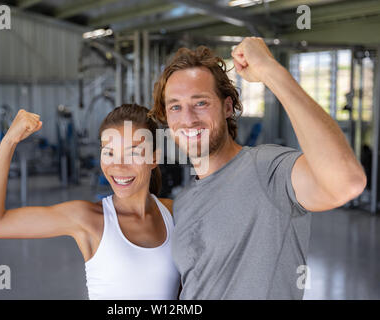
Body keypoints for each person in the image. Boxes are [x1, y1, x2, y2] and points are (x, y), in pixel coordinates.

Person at [148, 37, 367, 299]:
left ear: (227, 107)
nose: (187, 119)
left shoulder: (267, 170)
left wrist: (270, 70)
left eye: (201, 103)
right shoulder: (183, 203)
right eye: (175, 107)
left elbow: (347, 182)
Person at [0, 104, 180, 300]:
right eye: (109, 152)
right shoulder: (88, 219)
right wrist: (9, 141)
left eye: (133, 153)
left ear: (154, 158)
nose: (118, 165)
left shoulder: (173, 213)